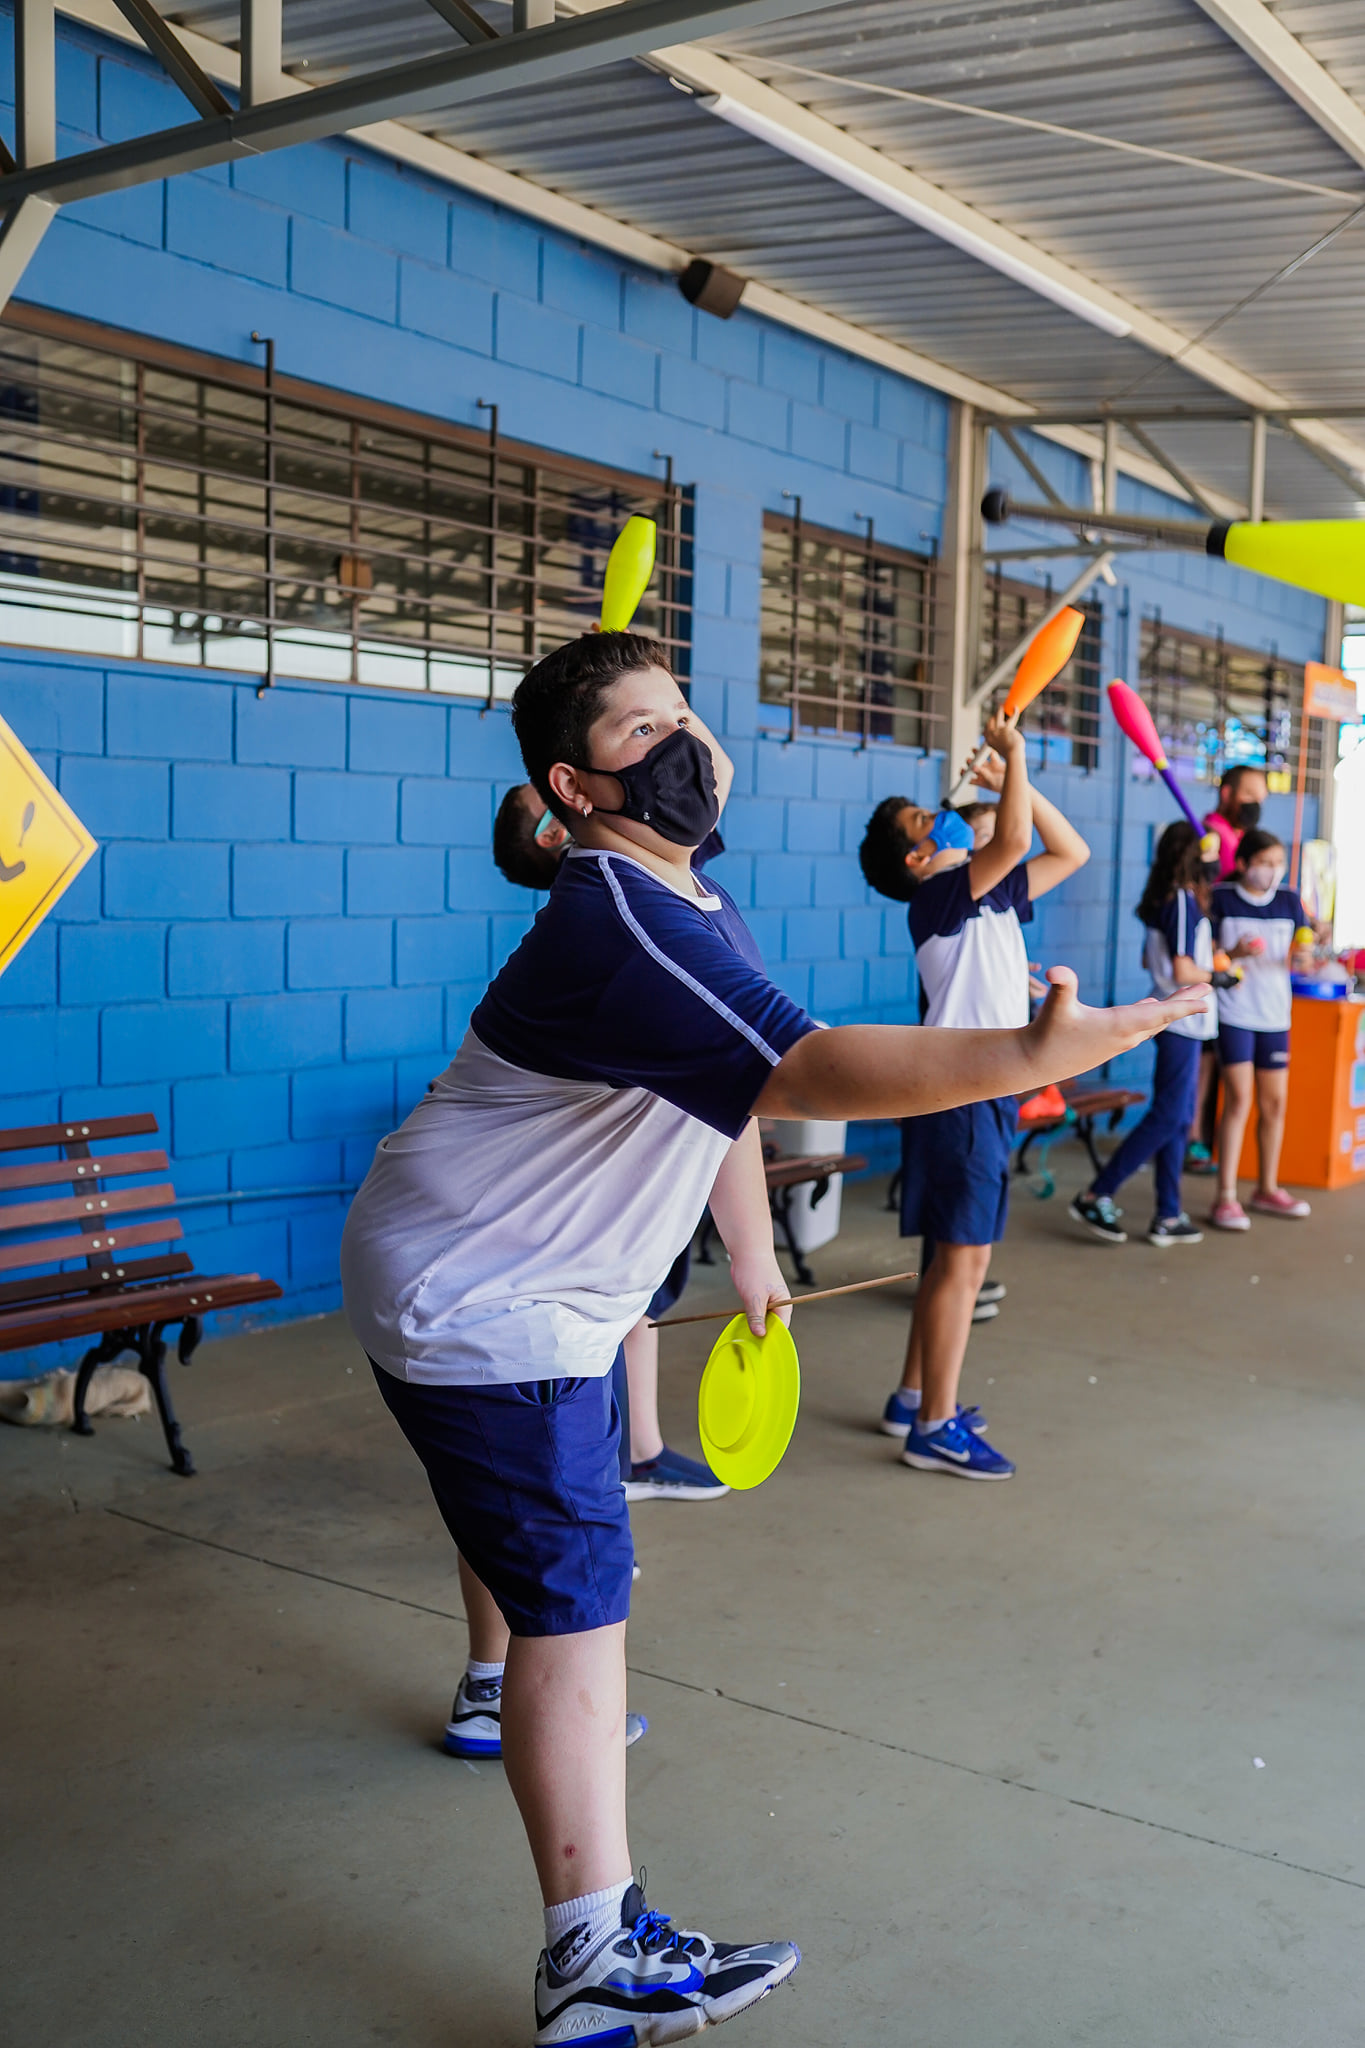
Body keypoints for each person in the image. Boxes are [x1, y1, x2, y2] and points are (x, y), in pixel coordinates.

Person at [341, 632, 1206, 2045]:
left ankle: (507, 1703)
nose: (683, 743)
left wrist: (753, 1255)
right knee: (581, 1604)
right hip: (489, 1295)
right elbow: (804, 1068)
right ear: (572, 785)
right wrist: (1031, 1053)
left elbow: (724, 1088)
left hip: (496, 1273)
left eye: (681, 713)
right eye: (641, 731)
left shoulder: (691, 899)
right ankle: (591, 1953)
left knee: (542, 1552)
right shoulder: (623, 918)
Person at [495, 770, 737, 1506]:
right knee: (604, 1317)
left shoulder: (649, 867)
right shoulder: (600, 914)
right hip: (617, 1174)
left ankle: (639, 1452)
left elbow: (710, 780)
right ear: (555, 833)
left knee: (636, 1309)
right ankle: (608, 1473)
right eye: (548, 797)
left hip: (664, 1158)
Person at [859, 719, 1090, 1479]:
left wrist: (1014, 780)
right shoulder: (937, 899)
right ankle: (934, 1426)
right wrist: (1013, 757)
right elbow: (1016, 839)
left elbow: (1069, 851)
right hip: (961, 1094)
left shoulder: (990, 899)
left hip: (979, 1093)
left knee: (947, 1259)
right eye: (924, 819)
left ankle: (911, 1398)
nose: (943, 814)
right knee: (964, 1262)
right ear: (916, 857)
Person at [1069, 822, 1218, 1248]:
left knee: (1179, 1118)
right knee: (1169, 1116)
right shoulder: (1182, 900)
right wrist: (1219, 975)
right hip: (1181, 1020)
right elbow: (1182, 969)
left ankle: (1168, 1213)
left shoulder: (1163, 899)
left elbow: (1148, 960)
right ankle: (1096, 1193)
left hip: (1178, 1020)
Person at [1209, 828, 1314, 1229]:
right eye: (1265, 863)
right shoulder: (1221, 898)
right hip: (1235, 1013)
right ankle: (1226, 1196)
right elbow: (1204, 955)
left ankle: (1267, 1188)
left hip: (1275, 1016)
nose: (1272, 870)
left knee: (1274, 1104)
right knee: (1238, 1100)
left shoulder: (1290, 901)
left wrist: (1304, 959)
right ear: (1243, 864)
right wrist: (1232, 953)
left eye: (1278, 863)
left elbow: (1302, 955)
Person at [1186, 764, 1271, 1173]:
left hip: (1232, 973)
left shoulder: (1242, 840)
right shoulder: (1209, 834)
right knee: (1203, 1062)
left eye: (1261, 798)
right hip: (1206, 961)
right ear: (1227, 794)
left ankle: (1204, 1141)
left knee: (1217, 1065)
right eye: (1249, 795)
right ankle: (1193, 1141)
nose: (1256, 804)